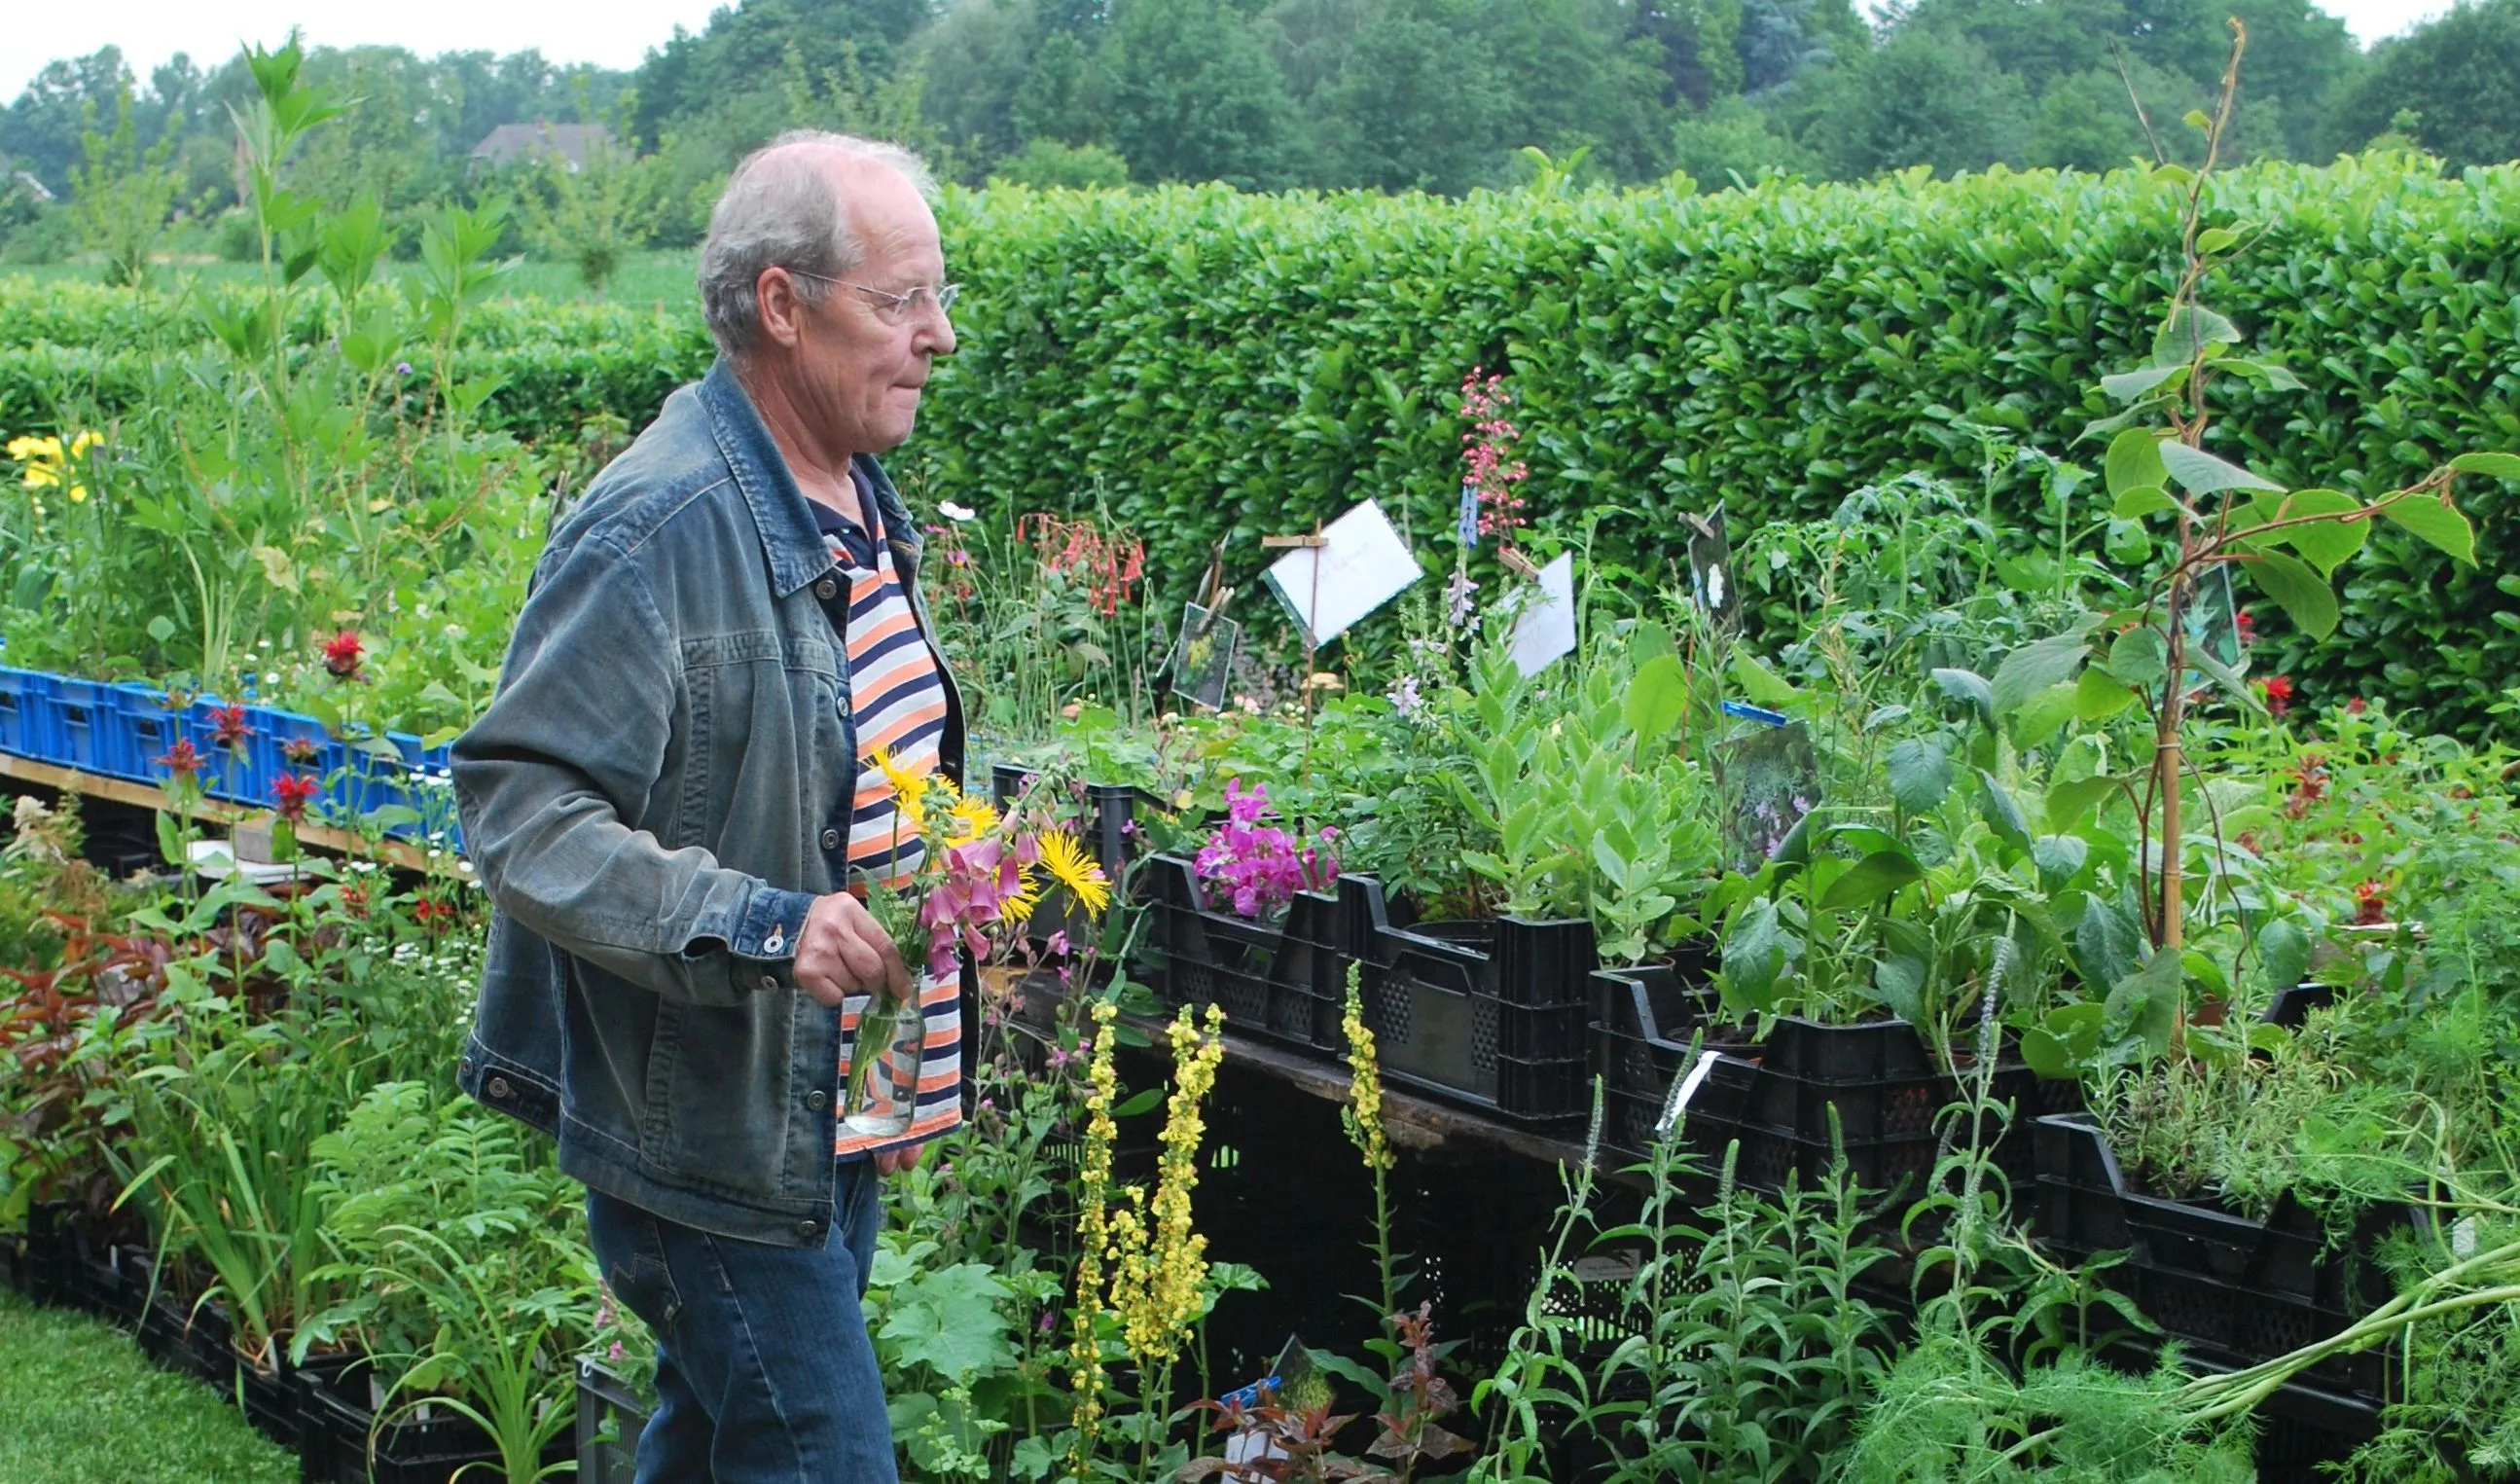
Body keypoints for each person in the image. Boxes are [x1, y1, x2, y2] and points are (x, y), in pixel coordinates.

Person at [450, 129, 966, 1483]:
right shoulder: (662, 523)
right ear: (782, 306)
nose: (940, 335)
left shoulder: (850, 496)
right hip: (710, 1137)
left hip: (811, 1118)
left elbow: (836, 775)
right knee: (822, 1461)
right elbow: (521, 806)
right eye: (901, 299)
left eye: (939, 294)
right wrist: (761, 922)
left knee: (712, 1445)